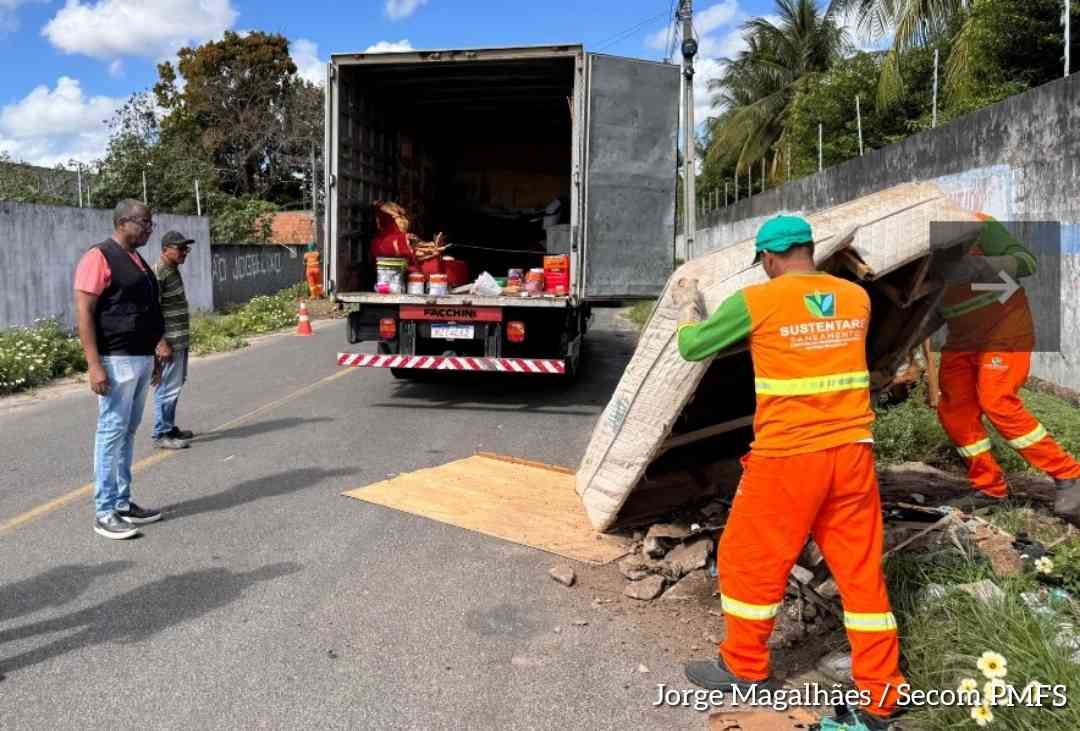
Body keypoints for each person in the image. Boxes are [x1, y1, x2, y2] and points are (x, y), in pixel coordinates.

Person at [676, 216, 905, 730]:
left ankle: (745, 667)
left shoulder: (757, 301)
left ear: (768, 258)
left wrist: (687, 307)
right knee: (860, 572)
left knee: (747, 559)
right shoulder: (855, 298)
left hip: (788, 457)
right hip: (852, 453)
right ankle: (883, 692)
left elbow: (693, 347)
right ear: (809, 250)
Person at [936, 215, 1080, 523]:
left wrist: (979, 268)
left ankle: (1068, 474)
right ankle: (989, 487)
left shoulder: (976, 224)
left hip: (1005, 327)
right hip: (962, 337)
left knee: (997, 401)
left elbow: (1026, 262)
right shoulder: (906, 249)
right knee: (955, 411)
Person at [74, 199, 166, 540]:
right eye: (144, 223)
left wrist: (154, 354)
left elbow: (145, 310)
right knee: (111, 433)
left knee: (127, 432)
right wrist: (94, 364)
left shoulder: (137, 260)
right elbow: (84, 312)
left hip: (141, 358)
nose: (149, 229)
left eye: (151, 223)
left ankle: (123, 502)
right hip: (115, 359)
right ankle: (104, 512)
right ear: (123, 222)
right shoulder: (98, 256)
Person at [152, 231, 196, 449]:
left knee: (175, 385)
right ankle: (161, 433)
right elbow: (151, 311)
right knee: (167, 388)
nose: (184, 252)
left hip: (179, 340)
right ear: (165, 250)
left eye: (186, 248)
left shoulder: (172, 270)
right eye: (180, 248)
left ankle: (168, 428)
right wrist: (161, 343)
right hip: (169, 342)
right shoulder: (159, 272)